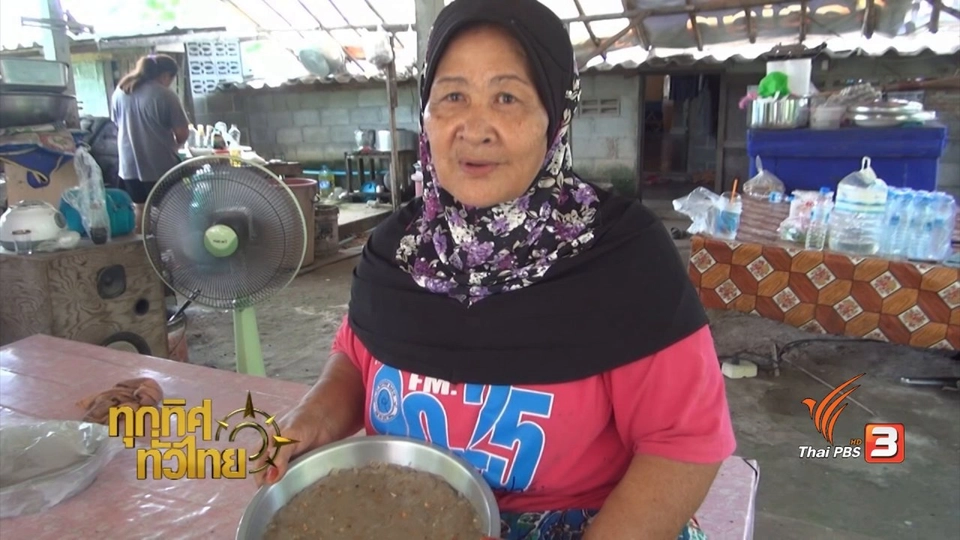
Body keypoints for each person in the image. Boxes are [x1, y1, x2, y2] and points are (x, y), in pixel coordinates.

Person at [254, 1, 736, 539]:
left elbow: (684, 445)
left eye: (506, 97)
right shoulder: (397, 251)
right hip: (410, 516)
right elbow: (356, 355)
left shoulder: (624, 258)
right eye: (453, 96)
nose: (475, 128)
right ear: (427, 117)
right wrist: (313, 415)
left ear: (554, 117)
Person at [110, 53, 189, 231]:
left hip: (128, 166)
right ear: (165, 75)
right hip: (159, 165)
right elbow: (182, 132)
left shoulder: (121, 91)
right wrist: (176, 146)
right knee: (170, 210)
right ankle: (167, 252)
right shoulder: (165, 95)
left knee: (139, 208)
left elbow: (116, 123)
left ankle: (143, 252)